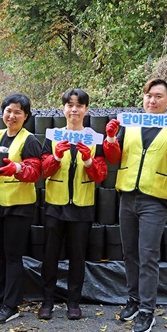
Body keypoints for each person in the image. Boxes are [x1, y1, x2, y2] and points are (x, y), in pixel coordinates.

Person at [104, 78, 167, 332]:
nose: (152, 101)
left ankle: (147, 310)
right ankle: (133, 300)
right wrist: (111, 138)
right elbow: (114, 158)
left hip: (155, 199)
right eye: (148, 96)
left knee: (148, 255)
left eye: (158, 96)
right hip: (128, 195)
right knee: (129, 252)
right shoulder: (131, 126)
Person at [38, 89, 107, 320]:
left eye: (79, 106)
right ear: (63, 109)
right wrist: (56, 156)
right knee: (49, 255)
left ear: (86, 109)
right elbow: (43, 170)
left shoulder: (95, 138)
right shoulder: (53, 136)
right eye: (69, 105)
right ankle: (47, 301)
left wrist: (88, 160)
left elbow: (101, 175)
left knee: (78, 256)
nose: (74, 110)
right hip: (54, 204)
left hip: (82, 205)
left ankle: (73, 302)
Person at [0, 94, 42, 324]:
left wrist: (16, 168)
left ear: (26, 116)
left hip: (18, 205)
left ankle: (11, 305)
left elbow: (35, 172)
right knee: (1, 255)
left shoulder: (30, 140)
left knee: (13, 256)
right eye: (8, 110)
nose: (12, 116)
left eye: (17, 112)